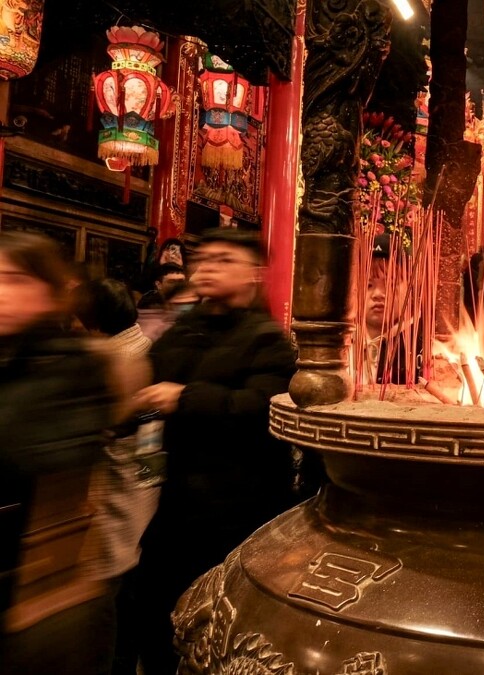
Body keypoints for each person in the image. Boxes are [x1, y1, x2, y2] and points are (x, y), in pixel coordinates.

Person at [131, 229, 298, 674]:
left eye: (224, 260)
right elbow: (149, 380)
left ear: (253, 273)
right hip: (176, 501)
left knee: (221, 625)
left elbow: (263, 407)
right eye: (202, 259)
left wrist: (185, 397)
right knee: (154, 613)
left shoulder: (267, 339)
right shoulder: (183, 330)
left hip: (239, 508)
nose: (207, 268)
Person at [0, 232, 145, 675]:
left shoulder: (81, 364)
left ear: (50, 292)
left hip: (47, 588)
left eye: (14, 279)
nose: (1, 293)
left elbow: (30, 447)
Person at [74, 278, 159, 675]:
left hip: (119, 481)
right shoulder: (142, 342)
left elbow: (106, 425)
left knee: (113, 585)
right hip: (145, 472)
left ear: (91, 320)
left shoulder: (113, 356)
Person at [363, 233, 421, 385]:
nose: (378, 294)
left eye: (390, 284)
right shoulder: (338, 343)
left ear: (410, 287)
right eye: (369, 285)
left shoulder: (423, 348)